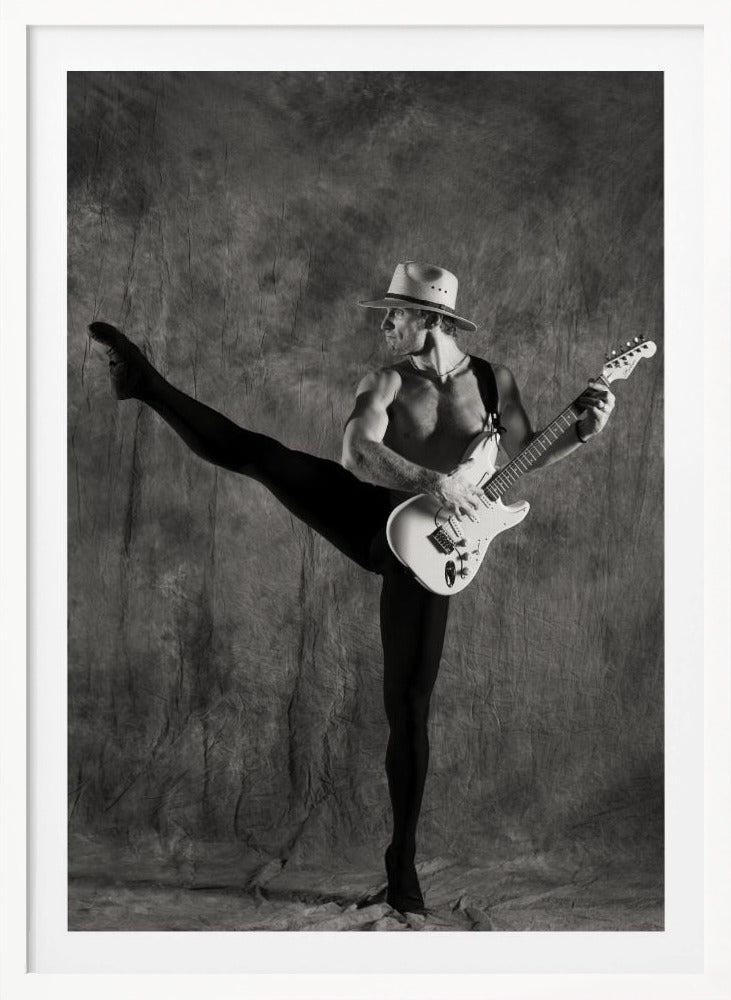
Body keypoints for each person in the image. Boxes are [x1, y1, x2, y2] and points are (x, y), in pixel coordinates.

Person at [88, 260, 615, 916]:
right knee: (263, 456)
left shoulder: (492, 381)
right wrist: (435, 482)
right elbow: (356, 453)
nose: (385, 323)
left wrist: (582, 433)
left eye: (395, 313)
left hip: (429, 553)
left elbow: (527, 451)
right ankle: (144, 381)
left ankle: (403, 869)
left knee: (408, 706)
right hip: (372, 517)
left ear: (432, 318)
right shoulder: (386, 380)